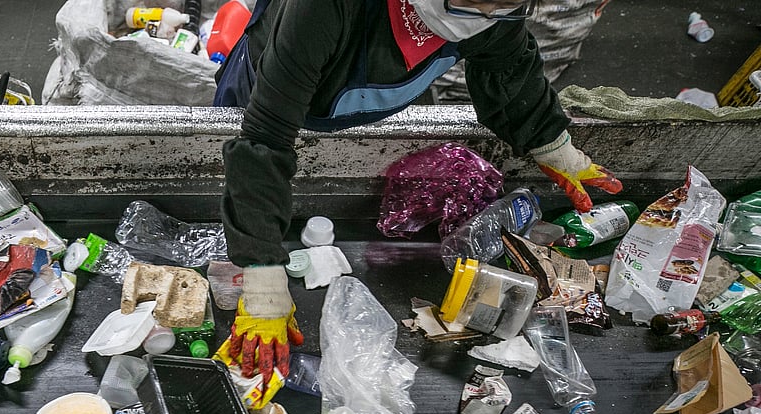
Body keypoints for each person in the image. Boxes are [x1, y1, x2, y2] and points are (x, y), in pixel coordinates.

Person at [214, 0, 623, 383]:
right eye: (467, 3)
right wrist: (264, 283)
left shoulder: (490, 12)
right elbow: (264, 142)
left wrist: (552, 145)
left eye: (507, 5)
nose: (483, 17)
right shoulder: (327, 7)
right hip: (269, 96)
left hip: (369, 104)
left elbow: (508, 67)